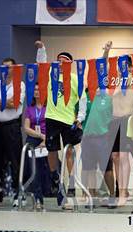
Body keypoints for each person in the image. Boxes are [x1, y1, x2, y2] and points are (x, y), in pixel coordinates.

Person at [36, 41, 87, 210]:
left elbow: (83, 99)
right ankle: (55, 177)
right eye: (58, 61)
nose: (60, 64)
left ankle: (71, 180)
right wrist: (42, 49)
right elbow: (41, 65)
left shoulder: (75, 79)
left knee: (69, 151)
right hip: (51, 116)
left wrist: (80, 117)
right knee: (52, 149)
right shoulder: (51, 73)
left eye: (63, 62)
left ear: (70, 65)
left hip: (67, 120)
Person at [0, 58, 25, 207]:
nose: (5, 70)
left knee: (15, 162)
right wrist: (3, 102)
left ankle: (17, 195)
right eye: (3, 67)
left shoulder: (20, 85)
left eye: (8, 67)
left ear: (14, 69)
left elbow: (14, 104)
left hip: (12, 127)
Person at [103, 41, 133, 207]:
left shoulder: (130, 79)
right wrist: (106, 52)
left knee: (123, 157)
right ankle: (120, 190)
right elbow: (103, 71)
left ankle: (123, 192)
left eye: (125, 66)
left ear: (129, 68)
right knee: (115, 156)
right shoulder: (115, 81)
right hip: (113, 121)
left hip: (126, 120)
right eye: (119, 66)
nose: (121, 69)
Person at [80, 88, 113, 207]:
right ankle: (92, 197)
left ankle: (112, 196)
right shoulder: (85, 96)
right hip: (87, 137)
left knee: (107, 169)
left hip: (103, 137)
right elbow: (80, 114)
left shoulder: (109, 98)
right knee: (90, 169)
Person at [23, 83, 51, 209]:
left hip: (48, 138)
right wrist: (40, 137)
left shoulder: (49, 107)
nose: (36, 92)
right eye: (34, 90)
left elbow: (52, 126)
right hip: (34, 139)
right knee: (35, 170)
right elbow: (26, 128)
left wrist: (45, 140)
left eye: (39, 90)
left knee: (51, 168)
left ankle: (58, 195)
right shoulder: (30, 108)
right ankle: (38, 199)